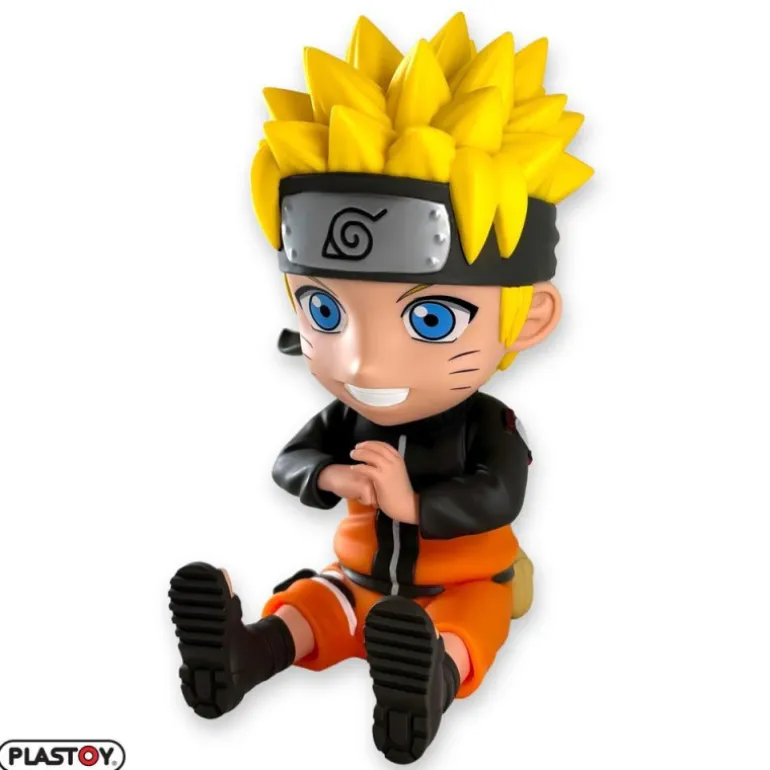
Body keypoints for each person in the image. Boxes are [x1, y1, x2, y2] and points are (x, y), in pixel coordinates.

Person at [168, 12, 591, 764]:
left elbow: (500, 494)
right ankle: (242, 656)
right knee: (313, 606)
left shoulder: (488, 425)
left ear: (529, 320)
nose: (361, 365)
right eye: (325, 312)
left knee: (468, 626)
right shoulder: (345, 416)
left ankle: (426, 681)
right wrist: (329, 475)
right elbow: (291, 461)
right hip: (357, 577)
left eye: (431, 318)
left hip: (465, 582)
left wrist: (411, 504)